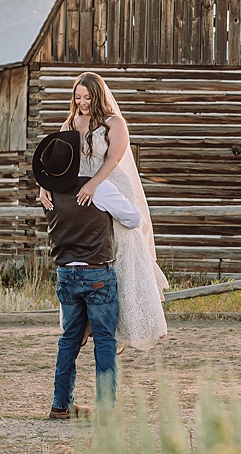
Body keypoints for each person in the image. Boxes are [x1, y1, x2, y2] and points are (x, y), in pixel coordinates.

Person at [39, 72, 169, 351]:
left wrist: (95, 184)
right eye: (77, 96)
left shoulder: (114, 123)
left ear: (97, 95)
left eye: (87, 97)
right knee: (82, 251)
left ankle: (120, 327)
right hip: (79, 190)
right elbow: (58, 160)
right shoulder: (70, 122)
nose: (82, 102)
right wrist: (44, 185)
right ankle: (83, 322)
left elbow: (113, 158)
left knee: (118, 252)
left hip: (107, 184)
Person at [34, 130, 143, 419]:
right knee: (105, 340)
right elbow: (134, 218)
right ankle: (106, 409)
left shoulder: (48, 195)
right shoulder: (99, 189)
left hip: (65, 274)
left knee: (69, 339)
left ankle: (60, 405)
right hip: (97, 272)